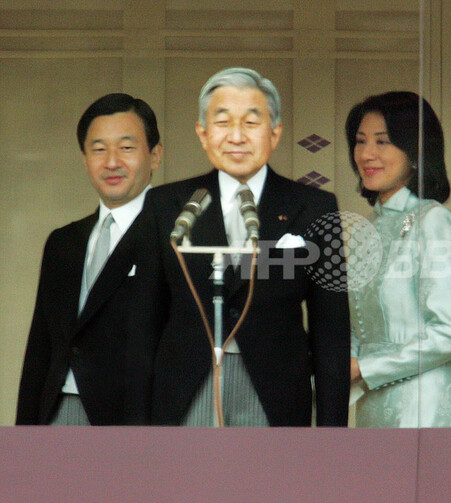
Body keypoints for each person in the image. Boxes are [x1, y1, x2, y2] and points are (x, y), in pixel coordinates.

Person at [134, 67, 349, 426]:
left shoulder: (313, 206)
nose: (236, 136)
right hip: (185, 391)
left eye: (251, 122)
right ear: (203, 134)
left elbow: (332, 331)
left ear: (275, 133)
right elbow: (143, 323)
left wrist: (332, 433)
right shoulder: (167, 205)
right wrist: (136, 424)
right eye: (222, 122)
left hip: (275, 392)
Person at [16, 93, 163, 425]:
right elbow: (40, 349)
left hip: (136, 420)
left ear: (155, 155)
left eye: (126, 148)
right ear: (84, 159)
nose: (111, 162)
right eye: (98, 149)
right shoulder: (63, 242)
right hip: (58, 413)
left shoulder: (173, 238)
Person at [346, 91, 451, 427]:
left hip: (424, 405)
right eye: (360, 142)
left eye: (383, 142)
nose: (366, 154)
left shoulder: (433, 221)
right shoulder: (368, 229)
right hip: (372, 402)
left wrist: (366, 368)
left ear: (415, 153)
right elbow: (359, 324)